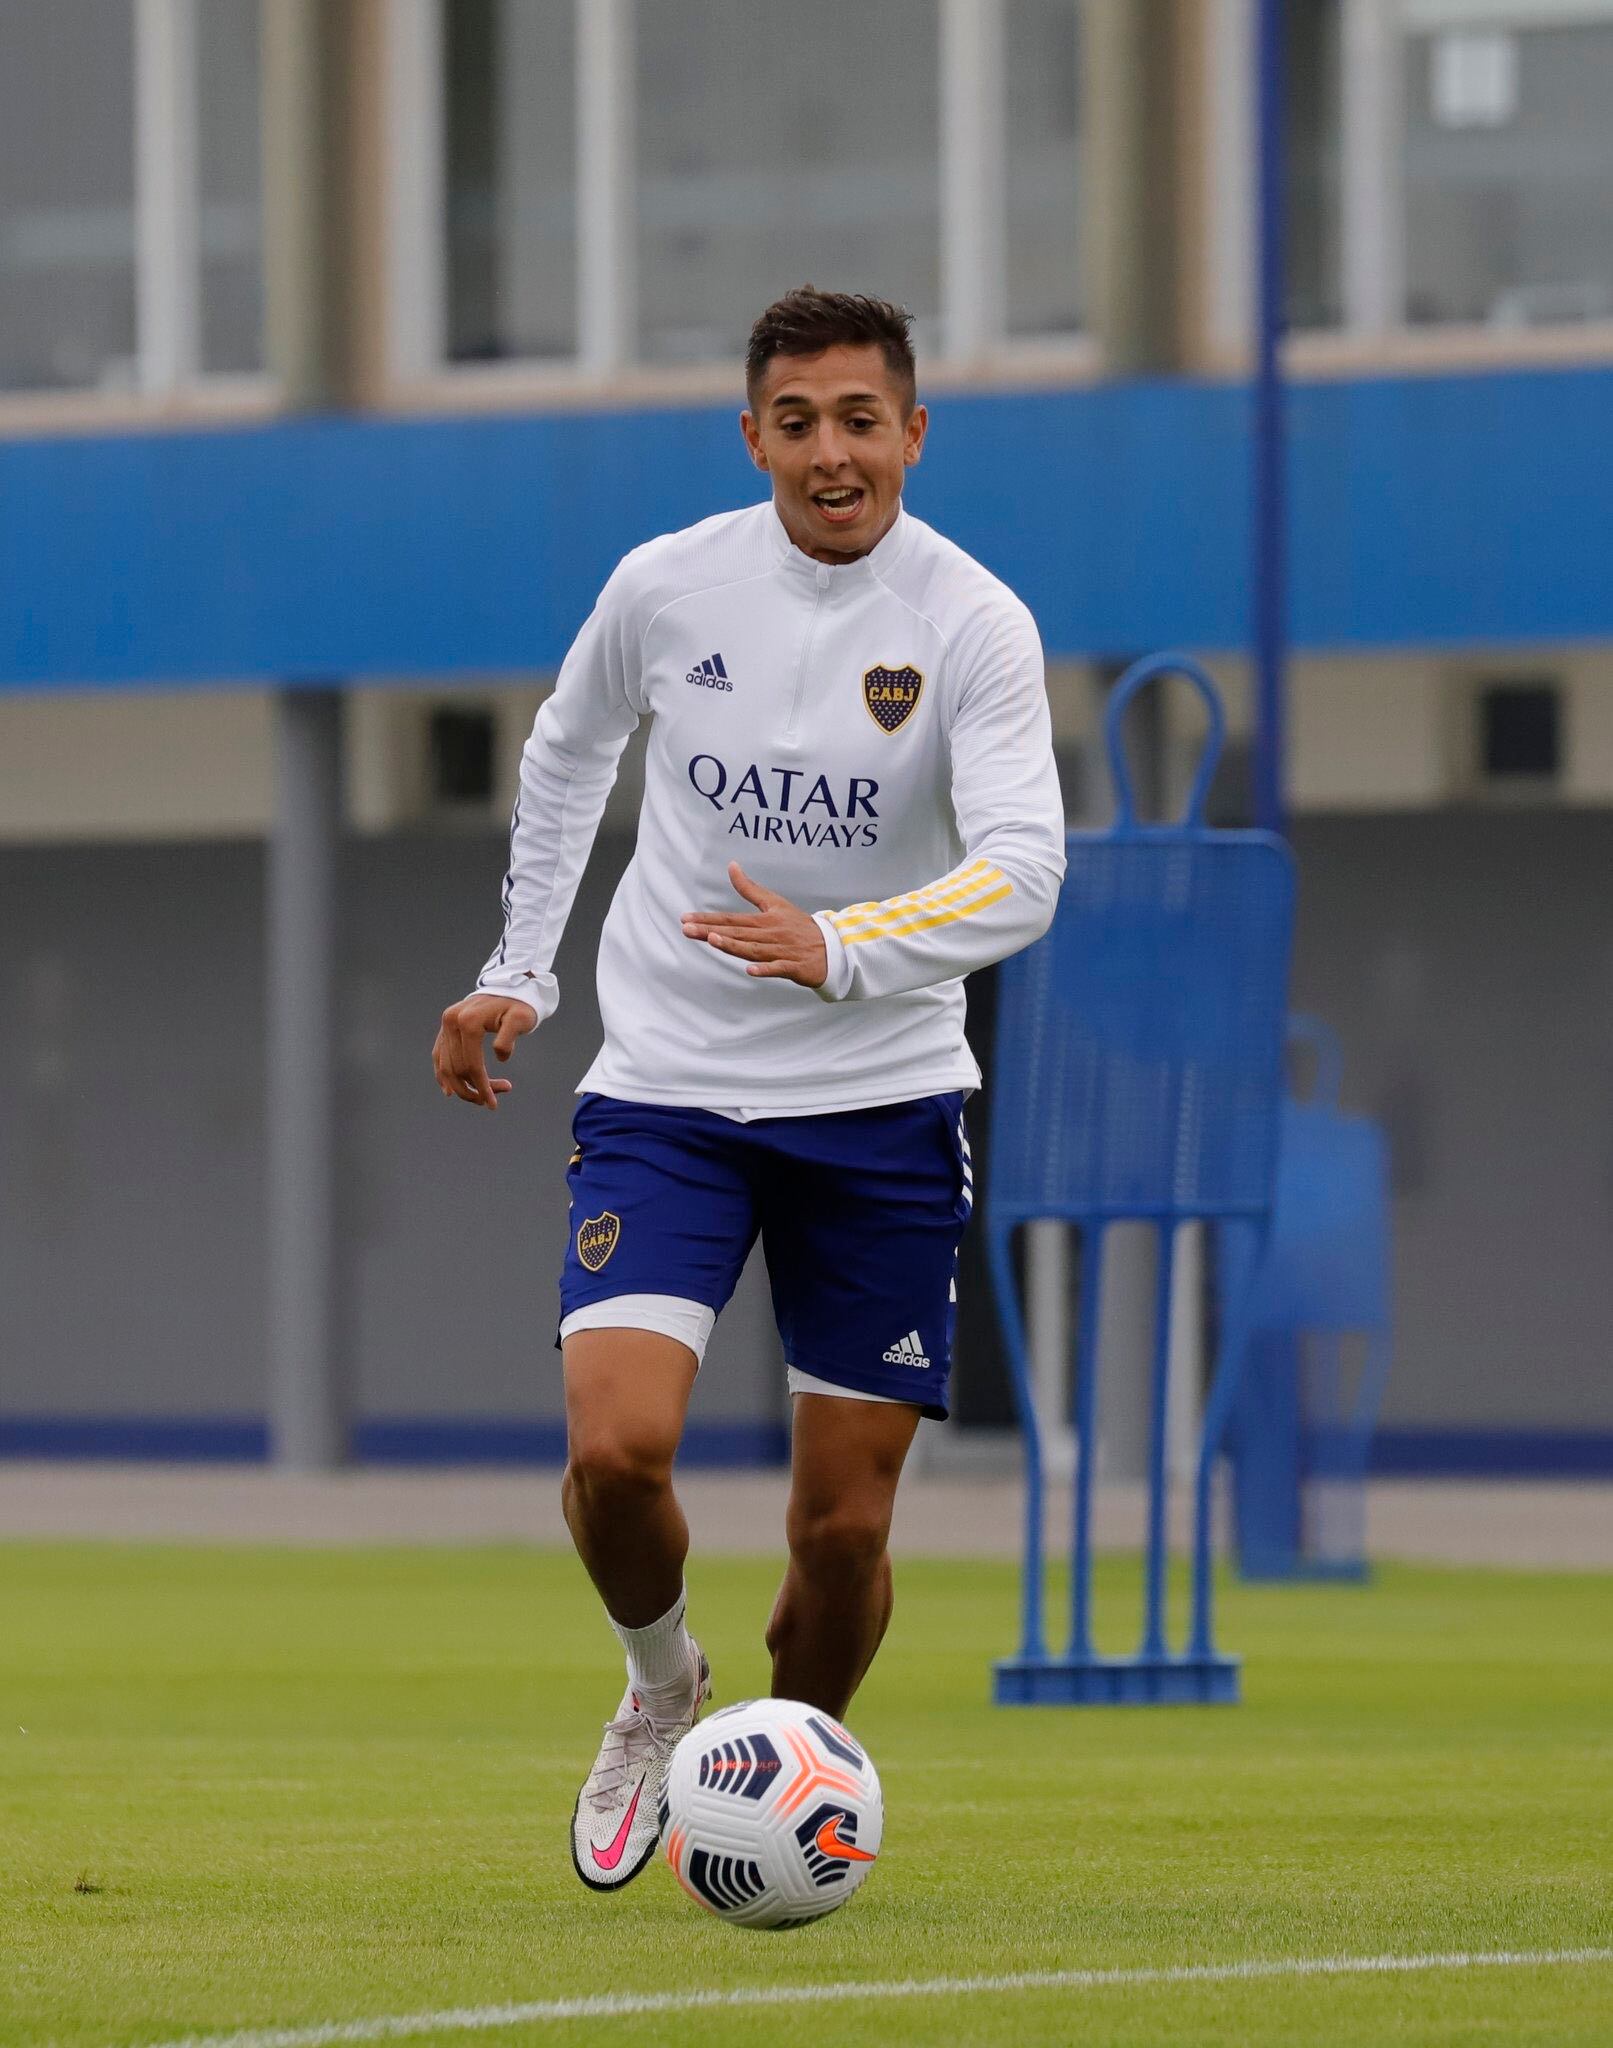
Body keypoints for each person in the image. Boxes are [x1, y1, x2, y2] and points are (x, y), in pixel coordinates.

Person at [432, 287, 1065, 1893]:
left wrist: (839, 944)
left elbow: (1024, 872)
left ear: (912, 433)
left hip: (883, 1107)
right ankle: (661, 1695)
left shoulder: (972, 622)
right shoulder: (667, 585)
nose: (831, 452)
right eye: (798, 423)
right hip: (669, 1090)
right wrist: (522, 969)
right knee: (619, 1451)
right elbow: (567, 752)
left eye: (862, 419)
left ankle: (776, 1786)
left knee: (840, 1536)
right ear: (754, 438)